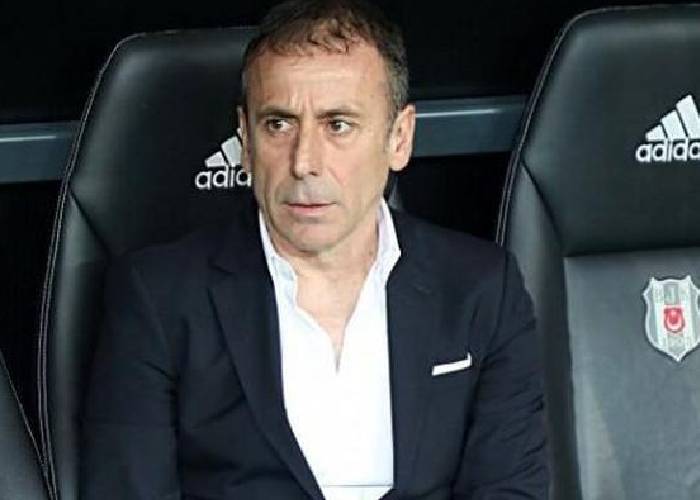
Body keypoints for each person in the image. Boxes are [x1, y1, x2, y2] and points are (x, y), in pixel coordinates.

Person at [81, 1, 548, 499]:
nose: (304, 161)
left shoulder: (480, 288)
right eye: (278, 124)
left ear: (399, 138)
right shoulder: (159, 297)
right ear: (245, 140)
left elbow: (510, 490)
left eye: (337, 125)